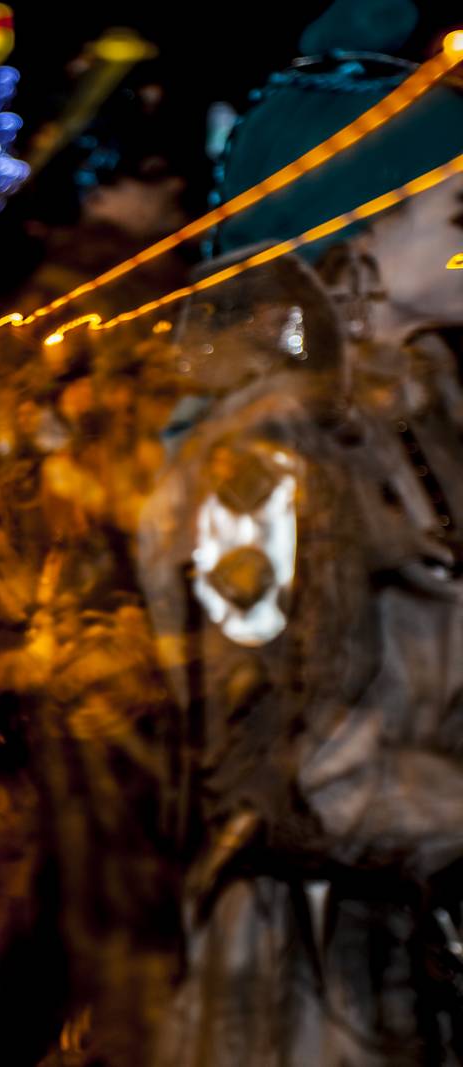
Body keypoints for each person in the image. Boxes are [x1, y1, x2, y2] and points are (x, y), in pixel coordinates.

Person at [138, 1, 463, 1062]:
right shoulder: (259, 459)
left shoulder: (413, 421)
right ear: (349, 230)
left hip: (416, 953)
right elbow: (290, 772)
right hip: (312, 991)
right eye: (456, 219)